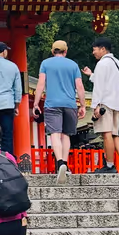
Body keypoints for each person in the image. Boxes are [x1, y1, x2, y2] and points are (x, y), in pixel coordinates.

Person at [33, 40, 86, 184]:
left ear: (52, 51)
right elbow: (79, 86)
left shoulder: (45, 63)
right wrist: (82, 105)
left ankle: (60, 163)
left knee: (55, 134)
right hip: (69, 104)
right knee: (66, 134)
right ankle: (65, 165)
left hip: (52, 104)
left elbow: (41, 84)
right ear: (65, 51)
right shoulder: (73, 65)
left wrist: (36, 103)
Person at [82, 37, 119, 174]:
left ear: (102, 49)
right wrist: (91, 75)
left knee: (106, 134)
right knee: (114, 134)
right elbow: (109, 80)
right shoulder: (116, 63)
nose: (93, 52)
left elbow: (100, 86)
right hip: (117, 102)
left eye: (95, 49)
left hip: (105, 103)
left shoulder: (102, 64)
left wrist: (95, 105)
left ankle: (109, 165)